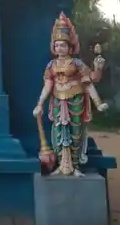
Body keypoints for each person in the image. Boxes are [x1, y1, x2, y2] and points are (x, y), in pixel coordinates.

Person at [33, 14, 108, 176]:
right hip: (58, 102)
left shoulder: (77, 64)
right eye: (57, 45)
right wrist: (40, 103)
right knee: (59, 133)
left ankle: (74, 166)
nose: (60, 48)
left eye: (63, 45)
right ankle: (61, 165)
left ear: (70, 47)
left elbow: (90, 81)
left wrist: (98, 102)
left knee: (75, 132)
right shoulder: (51, 65)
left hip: (76, 100)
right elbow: (48, 85)